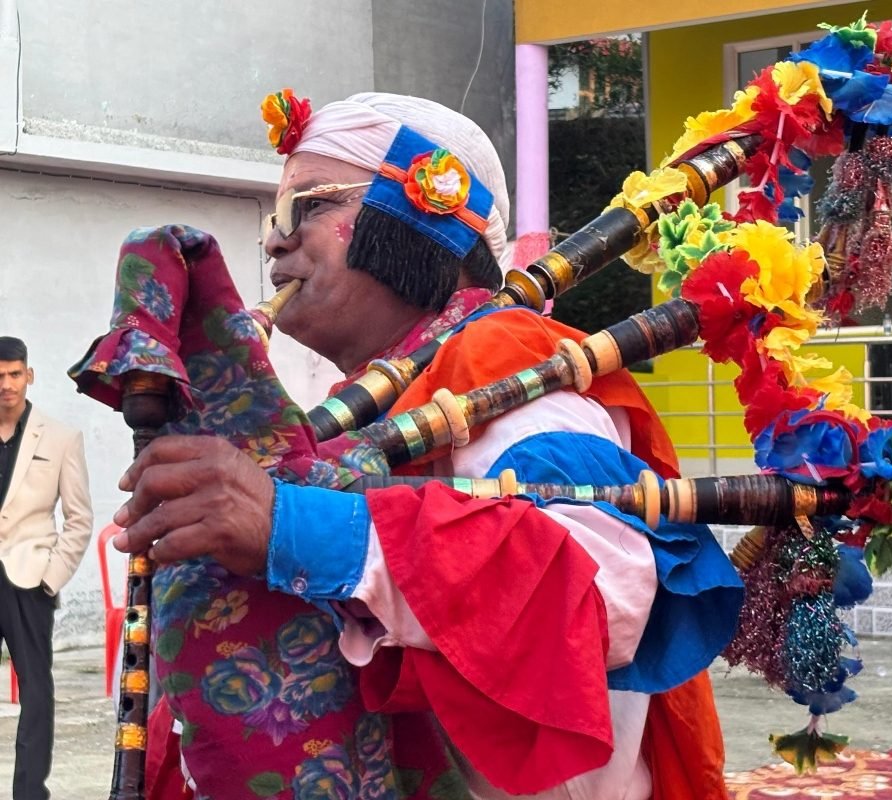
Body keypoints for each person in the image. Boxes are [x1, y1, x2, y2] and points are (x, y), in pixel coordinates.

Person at [109, 92, 741, 799]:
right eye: (273, 218)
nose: (275, 241)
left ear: (419, 213)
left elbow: (604, 597)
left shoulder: (507, 359)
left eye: (308, 206)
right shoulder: (367, 400)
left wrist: (294, 528)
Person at [0, 335, 94, 800]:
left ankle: (29, 792)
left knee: (36, 690)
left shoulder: (60, 438)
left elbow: (79, 519)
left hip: (28, 579)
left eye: (14, 374)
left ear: (29, 375)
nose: (6, 384)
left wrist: (50, 579)